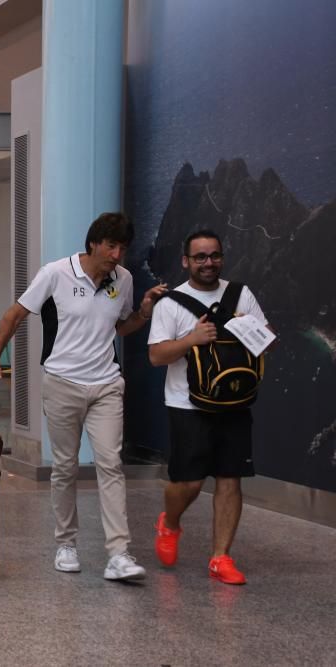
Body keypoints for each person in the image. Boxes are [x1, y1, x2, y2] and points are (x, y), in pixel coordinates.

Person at [0, 212, 166, 581]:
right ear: (94, 243)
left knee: (110, 464)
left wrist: (143, 314)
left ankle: (118, 553)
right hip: (62, 382)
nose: (116, 254)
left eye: (122, 248)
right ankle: (66, 543)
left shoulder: (123, 280)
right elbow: (14, 315)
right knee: (64, 467)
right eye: (111, 245)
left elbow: (121, 327)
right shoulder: (55, 274)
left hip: (107, 384)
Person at [148, 229, 269, 585]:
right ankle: (169, 523)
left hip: (235, 401)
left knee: (230, 479)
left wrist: (253, 331)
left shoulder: (240, 294)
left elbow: (266, 342)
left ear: (222, 258)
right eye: (199, 257)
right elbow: (156, 356)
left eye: (214, 256)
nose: (208, 263)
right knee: (188, 482)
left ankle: (221, 557)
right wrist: (191, 339)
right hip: (187, 405)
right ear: (186, 261)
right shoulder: (171, 303)